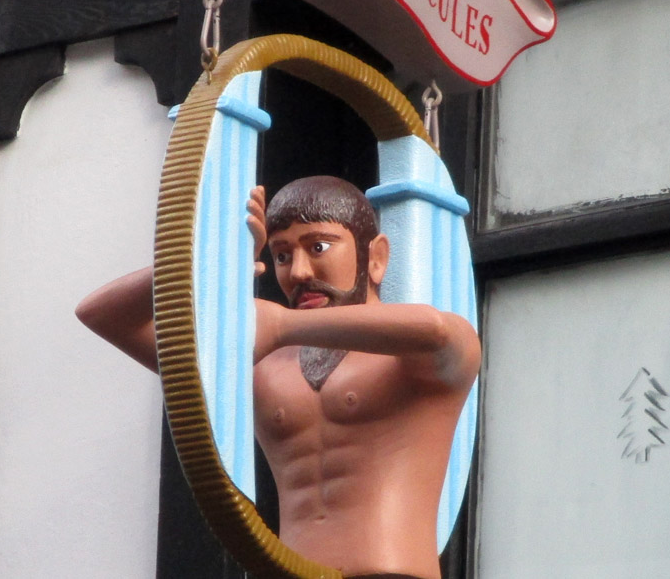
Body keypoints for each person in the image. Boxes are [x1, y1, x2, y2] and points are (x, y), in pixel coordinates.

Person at [76, 176, 480, 579]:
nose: (299, 272)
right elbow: (102, 315)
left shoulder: (413, 362)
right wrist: (205, 257)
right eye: (282, 256)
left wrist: (284, 325)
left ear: (375, 257)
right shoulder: (261, 365)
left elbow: (439, 330)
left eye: (318, 247)